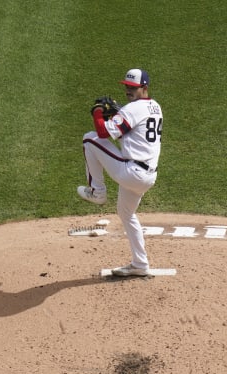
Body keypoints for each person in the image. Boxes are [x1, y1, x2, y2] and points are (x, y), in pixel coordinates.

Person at [77, 68, 163, 277]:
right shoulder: (155, 107)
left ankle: (97, 191)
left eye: (133, 87)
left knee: (90, 138)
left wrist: (97, 112)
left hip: (132, 172)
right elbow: (129, 130)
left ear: (144, 87)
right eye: (126, 86)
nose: (128, 90)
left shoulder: (132, 110)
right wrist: (118, 113)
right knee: (126, 213)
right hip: (147, 176)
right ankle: (140, 264)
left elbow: (103, 132)